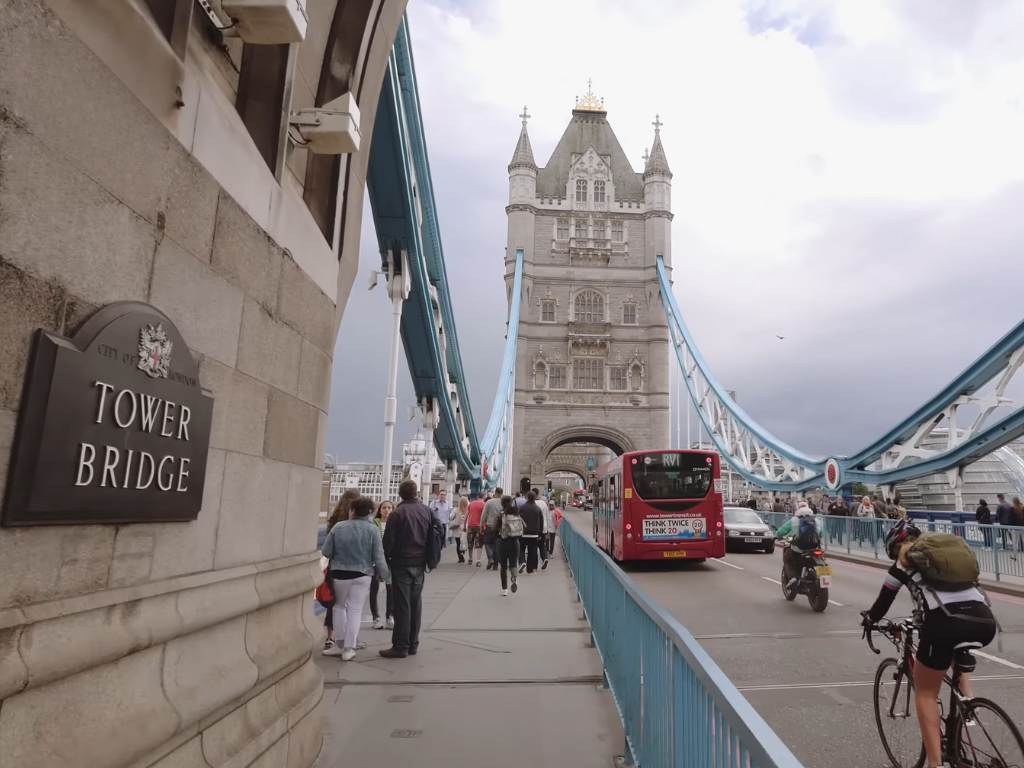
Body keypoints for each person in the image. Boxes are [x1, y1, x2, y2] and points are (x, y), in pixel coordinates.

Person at [861, 519, 997, 768]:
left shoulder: (903, 563)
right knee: (952, 650)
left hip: (945, 623)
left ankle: (935, 764)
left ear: (897, 546)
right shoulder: (948, 559)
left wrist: (870, 620)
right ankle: (968, 702)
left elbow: (884, 601)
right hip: (984, 621)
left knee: (925, 692)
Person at [320, 496, 390, 661]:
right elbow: (379, 557)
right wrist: (386, 577)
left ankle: (339, 644)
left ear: (352, 510)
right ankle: (349, 648)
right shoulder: (372, 529)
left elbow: (326, 551)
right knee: (355, 610)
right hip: (363, 574)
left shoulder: (338, 527)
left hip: (339, 573)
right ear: (370, 512)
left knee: (338, 608)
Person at [380, 480, 432, 659]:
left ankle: (401, 646)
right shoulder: (426, 511)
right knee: (415, 604)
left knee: (402, 605)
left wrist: (384, 563)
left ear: (401, 494)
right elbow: (435, 534)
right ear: (416, 492)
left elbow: (388, 542)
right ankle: (413, 644)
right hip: (420, 563)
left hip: (401, 564)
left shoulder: (397, 513)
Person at [321, 489, 360, 651]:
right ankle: (349, 641)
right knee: (351, 606)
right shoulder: (359, 522)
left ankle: (331, 637)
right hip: (356, 567)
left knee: (335, 604)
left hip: (335, 566)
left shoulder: (334, 522)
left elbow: (327, 548)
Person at [774, 500, 821, 587]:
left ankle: (793, 577)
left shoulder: (794, 520)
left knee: (787, 558)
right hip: (814, 548)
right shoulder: (817, 521)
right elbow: (822, 534)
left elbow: (781, 532)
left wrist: (777, 535)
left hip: (799, 549)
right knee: (821, 561)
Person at [370, 500, 394, 629]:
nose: (387, 510)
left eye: (389, 508)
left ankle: (389, 616)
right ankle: (376, 617)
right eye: (384, 507)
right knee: (374, 589)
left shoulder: (395, 523)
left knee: (391, 588)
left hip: (390, 560)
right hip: (376, 560)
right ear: (380, 510)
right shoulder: (374, 523)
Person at [496, 495, 523, 596]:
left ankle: (505, 589)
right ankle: (514, 578)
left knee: (503, 566)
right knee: (513, 563)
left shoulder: (501, 515)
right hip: (515, 542)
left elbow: (495, 528)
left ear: (502, 503)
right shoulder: (517, 513)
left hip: (503, 542)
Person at [518, 491, 544, 574]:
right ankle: (530, 569)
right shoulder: (538, 509)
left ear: (527, 497)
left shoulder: (522, 508)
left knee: (521, 548)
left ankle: (522, 562)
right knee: (532, 550)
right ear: (535, 498)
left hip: (523, 532)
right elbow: (541, 522)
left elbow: (518, 520)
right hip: (534, 533)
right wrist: (540, 534)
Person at [480, 487, 504, 570]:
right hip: (500, 527)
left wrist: (481, 526)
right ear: (502, 493)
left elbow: (484, 515)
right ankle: (496, 565)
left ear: (495, 492)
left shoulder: (489, 502)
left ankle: (490, 558)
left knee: (487, 543)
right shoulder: (504, 502)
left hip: (490, 526)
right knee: (497, 546)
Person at [533, 487, 554, 568]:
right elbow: (546, 516)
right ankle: (544, 558)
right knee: (542, 545)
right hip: (544, 528)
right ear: (538, 494)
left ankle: (535, 565)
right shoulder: (544, 503)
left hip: (535, 528)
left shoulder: (532, 503)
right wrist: (548, 529)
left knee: (533, 546)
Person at [465, 493, 486, 567]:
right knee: (479, 544)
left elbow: (466, 515)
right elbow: (484, 516)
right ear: (484, 496)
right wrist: (484, 526)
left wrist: (465, 526)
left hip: (470, 526)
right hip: (479, 527)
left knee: (470, 543)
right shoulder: (484, 504)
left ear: (477, 497)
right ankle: (478, 560)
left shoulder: (471, 504)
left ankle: (470, 558)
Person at [449, 495, 468, 563]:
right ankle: (462, 552)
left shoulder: (455, 509)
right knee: (464, 542)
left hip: (457, 528)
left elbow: (450, 517)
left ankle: (460, 558)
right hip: (465, 528)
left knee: (458, 543)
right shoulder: (468, 510)